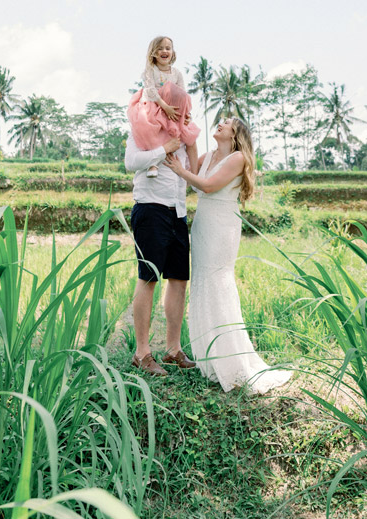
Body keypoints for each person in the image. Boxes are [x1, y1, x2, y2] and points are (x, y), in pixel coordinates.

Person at [165, 118, 291, 394]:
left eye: (227, 122)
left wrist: (179, 170)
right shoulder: (209, 155)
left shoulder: (238, 158)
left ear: (236, 133)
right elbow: (193, 175)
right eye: (220, 121)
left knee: (218, 281)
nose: (220, 123)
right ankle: (209, 358)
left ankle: (230, 358)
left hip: (222, 224)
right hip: (203, 224)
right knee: (202, 283)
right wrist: (189, 136)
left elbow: (207, 186)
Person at [124, 130, 197, 377]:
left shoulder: (184, 137)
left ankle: (173, 349)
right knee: (148, 278)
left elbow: (192, 173)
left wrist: (190, 142)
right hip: (150, 207)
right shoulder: (142, 128)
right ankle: (142, 353)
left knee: (179, 279)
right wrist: (164, 148)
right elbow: (131, 162)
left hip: (177, 211)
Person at [127, 35, 200, 178]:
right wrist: (165, 107)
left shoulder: (177, 73)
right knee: (149, 128)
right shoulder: (151, 70)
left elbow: (182, 93)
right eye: (160, 48)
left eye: (168, 48)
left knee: (190, 134)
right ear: (153, 53)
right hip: (153, 106)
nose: (164, 51)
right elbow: (151, 91)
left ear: (173, 52)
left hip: (171, 108)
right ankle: (152, 163)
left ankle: (194, 174)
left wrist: (185, 114)